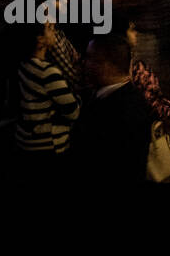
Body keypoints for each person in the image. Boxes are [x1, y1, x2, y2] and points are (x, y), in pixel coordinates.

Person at [73, 35, 154, 183]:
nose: (84, 63)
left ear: (107, 65)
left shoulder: (127, 109)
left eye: (90, 58)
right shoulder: (102, 93)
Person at [14, 22, 80, 170]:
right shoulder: (47, 72)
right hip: (48, 145)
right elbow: (73, 112)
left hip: (26, 140)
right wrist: (78, 98)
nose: (54, 30)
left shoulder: (24, 65)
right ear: (40, 40)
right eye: (50, 28)